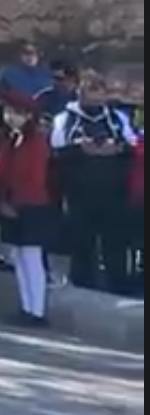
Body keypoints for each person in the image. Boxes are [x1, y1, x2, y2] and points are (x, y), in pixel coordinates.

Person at [49, 70, 138, 293]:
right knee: (82, 242)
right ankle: (83, 283)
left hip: (113, 194)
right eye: (89, 91)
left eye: (99, 91)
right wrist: (82, 148)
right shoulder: (65, 118)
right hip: (80, 195)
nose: (95, 97)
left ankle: (117, 284)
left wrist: (114, 149)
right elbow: (56, 149)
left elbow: (132, 145)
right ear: (79, 92)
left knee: (115, 243)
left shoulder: (117, 117)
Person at [0, 93, 55, 327]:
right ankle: (26, 306)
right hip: (12, 203)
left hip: (31, 205)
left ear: (29, 116)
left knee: (31, 257)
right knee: (18, 257)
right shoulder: (11, 139)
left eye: (17, 113)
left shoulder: (36, 142)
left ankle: (36, 310)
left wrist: (14, 204)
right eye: (8, 112)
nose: (11, 117)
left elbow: (33, 177)